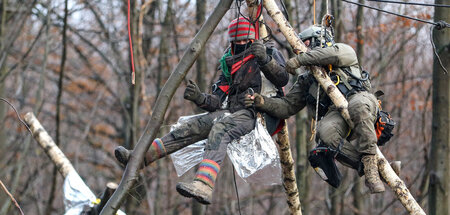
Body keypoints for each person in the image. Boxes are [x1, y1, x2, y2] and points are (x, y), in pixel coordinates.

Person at [114, 17, 289, 204]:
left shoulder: (268, 52)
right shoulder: (229, 62)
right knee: (193, 126)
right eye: (236, 41)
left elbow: (283, 79)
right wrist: (200, 97)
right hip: (234, 112)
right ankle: (141, 157)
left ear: (252, 39)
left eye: (244, 40)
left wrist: (264, 59)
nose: (240, 44)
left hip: (261, 112)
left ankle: (204, 184)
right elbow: (217, 99)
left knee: (221, 128)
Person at [245, 25, 385, 193]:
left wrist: (300, 60)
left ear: (320, 39)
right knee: (325, 132)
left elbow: (330, 54)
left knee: (357, 106)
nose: (304, 49)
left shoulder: (343, 51)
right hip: (336, 115)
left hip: (361, 101)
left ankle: (370, 163)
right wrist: (262, 102)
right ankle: (373, 169)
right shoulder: (307, 80)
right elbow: (286, 107)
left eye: (307, 43)